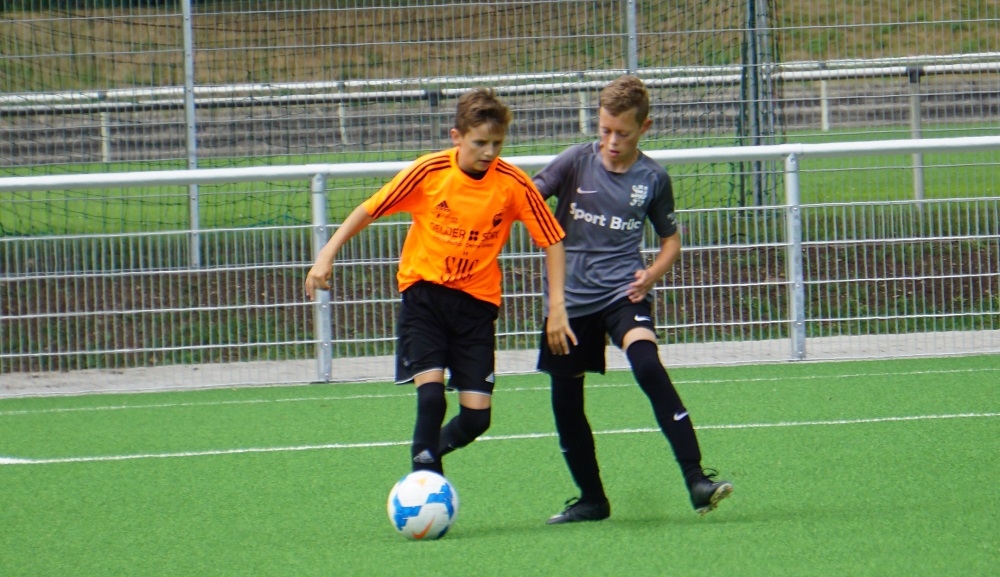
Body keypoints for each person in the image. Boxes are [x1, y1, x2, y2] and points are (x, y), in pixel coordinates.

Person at [305, 87, 576, 477]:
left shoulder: (513, 184)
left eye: (497, 144)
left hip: (477, 307)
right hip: (425, 296)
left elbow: (553, 241)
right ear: (456, 137)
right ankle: (424, 479)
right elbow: (369, 209)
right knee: (431, 398)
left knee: (477, 419)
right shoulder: (429, 172)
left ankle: (429, 455)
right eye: (479, 143)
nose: (489, 152)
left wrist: (557, 308)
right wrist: (326, 255)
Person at [533, 75, 733, 524]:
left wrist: (652, 273)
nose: (612, 142)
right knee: (567, 404)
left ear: (645, 128)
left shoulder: (653, 178)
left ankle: (696, 479)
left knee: (647, 364)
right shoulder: (575, 162)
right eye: (605, 130)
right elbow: (527, 198)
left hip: (623, 292)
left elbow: (670, 241)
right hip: (569, 302)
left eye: (622, 133)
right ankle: (592, 500)